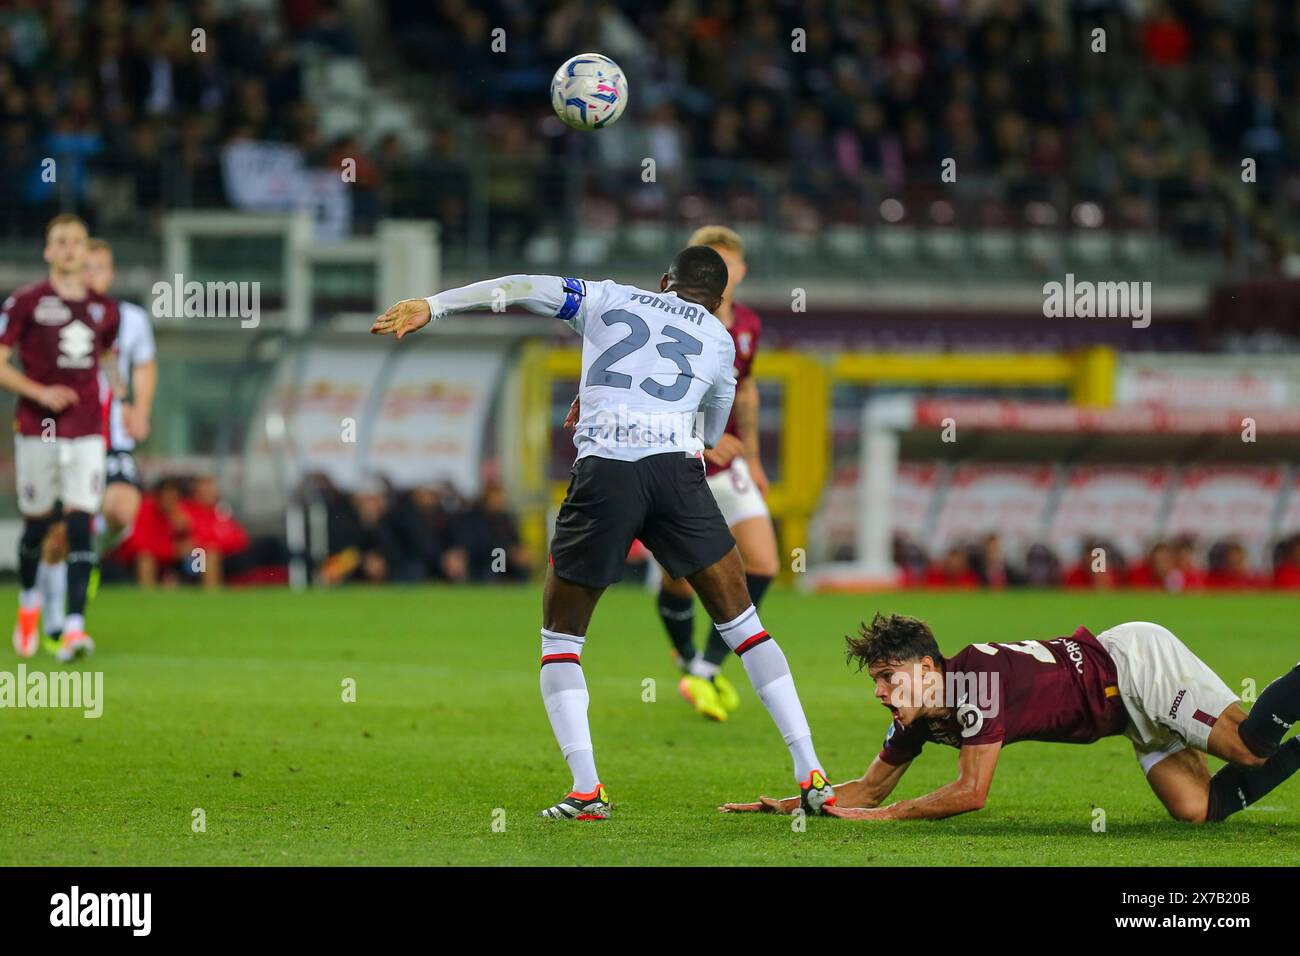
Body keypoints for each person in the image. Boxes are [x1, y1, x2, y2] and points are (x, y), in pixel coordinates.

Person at [371, 247, 836, 820]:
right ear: (718, 301)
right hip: (677, 476)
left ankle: (587, 789)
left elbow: (518, 284)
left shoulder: (606, 296)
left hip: (607, 475)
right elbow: (713, 429)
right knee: (745, 625)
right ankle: (811, 771)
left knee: (561, 641)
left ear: (664, 280)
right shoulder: (719, 338)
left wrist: (433, 305)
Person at [721, 612, 1299, 824]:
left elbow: (973, 794)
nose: (880, 691)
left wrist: (890, 817)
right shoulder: (920, 710)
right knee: (1199, 809)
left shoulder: (976, 683)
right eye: (876, 680)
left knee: (1249, 748)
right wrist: (797, 802)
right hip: (1123, 715)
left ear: (926, 666)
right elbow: (869, 788)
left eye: (886, 677)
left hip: (1135, 666)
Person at [565, 226, 776, 723]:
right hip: (677, 459)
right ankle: (687, 659)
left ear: (738, 273)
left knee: (764, 562)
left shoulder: (744, 326)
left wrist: (755, 455)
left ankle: (705, 666)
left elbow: (745, 391)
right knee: (681, 579)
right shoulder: (658, 314)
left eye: (731, 260)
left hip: (726, 461)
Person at [0, 214, 120, 661]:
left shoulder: (104, 309)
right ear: (48, 251)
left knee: (79, 523)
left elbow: (107, 355)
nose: (69, 249)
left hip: (87, 429)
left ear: (86, 251)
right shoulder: (26, 302)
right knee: (36, 526)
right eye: (61, 242)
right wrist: (40, 392)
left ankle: (73, 628)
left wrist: (123, 394)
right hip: (37, 430)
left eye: (77, 242)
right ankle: (29, 601)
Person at [36, 236, 156, 639]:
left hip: (113, 437)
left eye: (99, 267)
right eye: (86, 266)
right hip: (67, 433)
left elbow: (143, 366)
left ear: (111, 274)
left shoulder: (131, 318)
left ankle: (89, 553)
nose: (92, 274)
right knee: (58, 535)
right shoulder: (52, 314)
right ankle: (54, 607)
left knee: (122, 510)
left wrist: (139, 409)